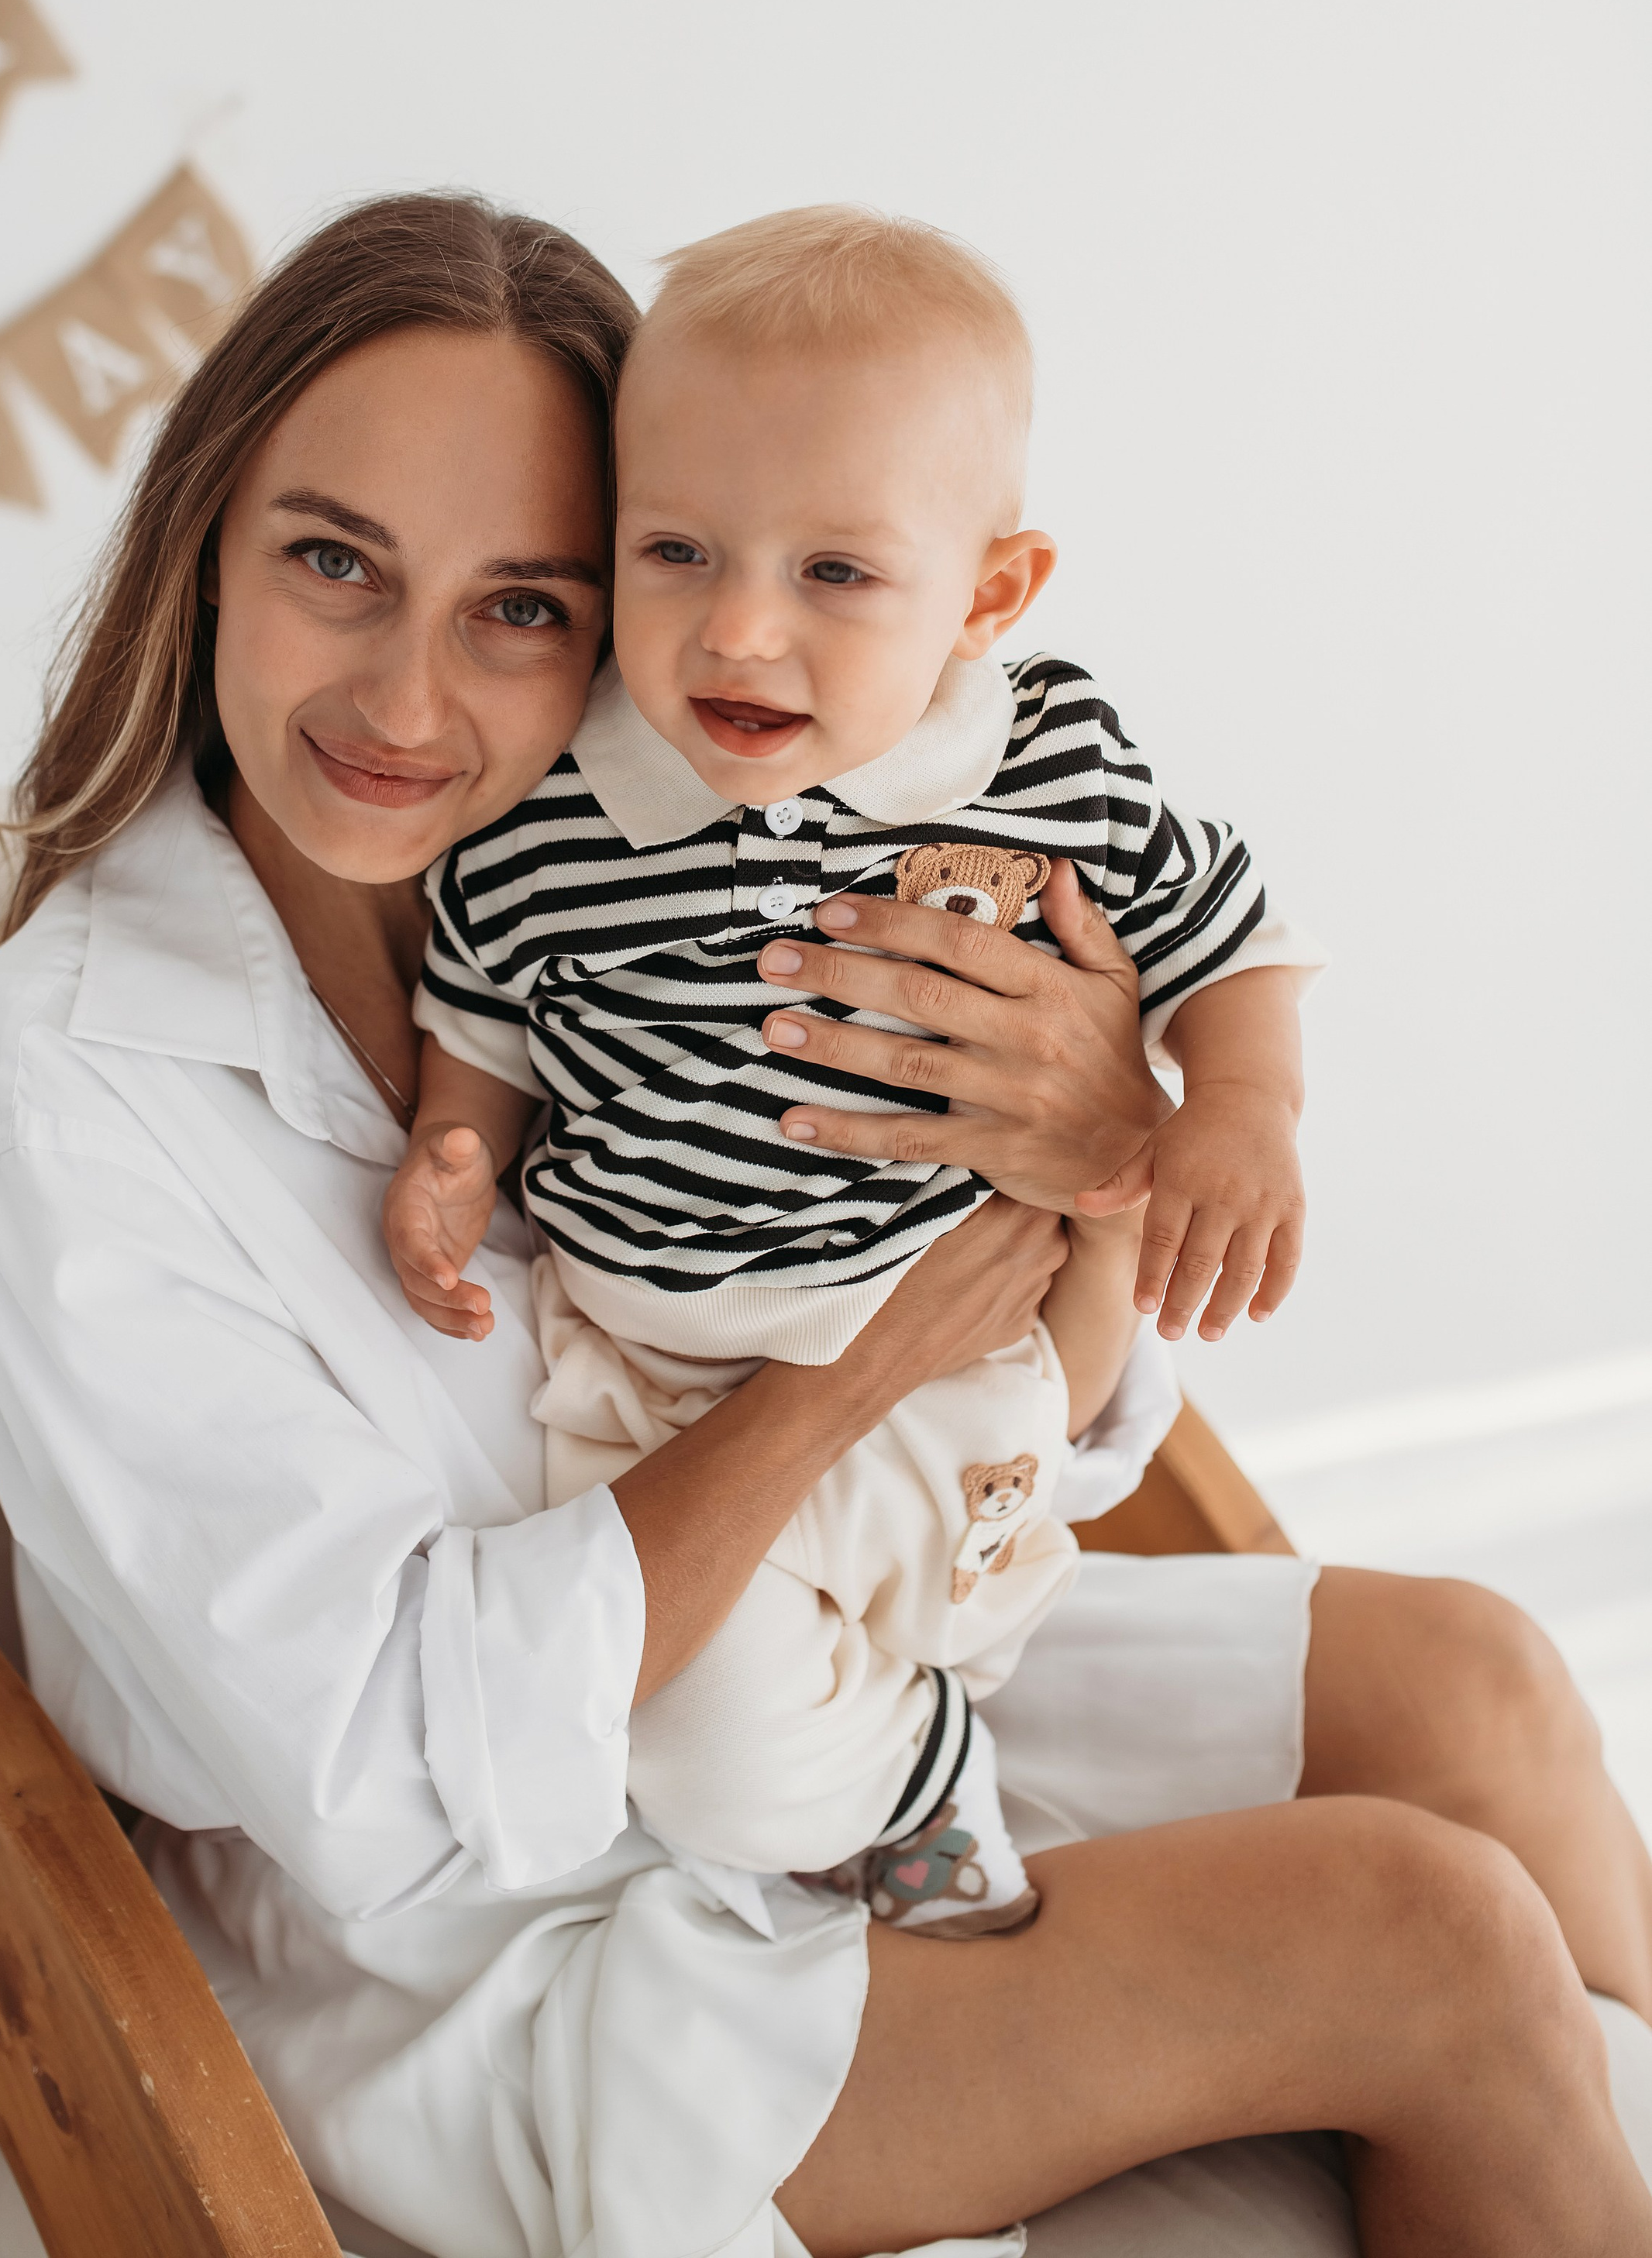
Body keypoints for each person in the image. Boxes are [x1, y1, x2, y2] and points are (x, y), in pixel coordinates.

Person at [0, 191, 1652, 2258]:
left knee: (1477, 1681)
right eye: (333, 563)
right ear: (206, 541)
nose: (405, 692)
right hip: (507, 1944)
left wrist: (1096, 1157)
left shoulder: (723, 864)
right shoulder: (62, 1088)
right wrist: (860, 1377)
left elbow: (1060, 1435)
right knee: (1427, 1935)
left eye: (522, 606)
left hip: (871, 1665)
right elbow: (383, 1778)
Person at [384, 205, 1324, 1936]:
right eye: (676, 553)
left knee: (959, 1600)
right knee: (695, 1739)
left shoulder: (1041, 764)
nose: (737, 635)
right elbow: (481, 1024)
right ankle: (906, 1786)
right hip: (665, 1384)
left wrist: (1242, 1110)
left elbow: (1221, 928)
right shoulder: (556, 812)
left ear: (985, 596)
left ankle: (925, 1700)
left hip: (969, 1355)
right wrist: (451, 1156)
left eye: (831, 574)